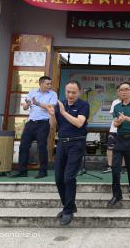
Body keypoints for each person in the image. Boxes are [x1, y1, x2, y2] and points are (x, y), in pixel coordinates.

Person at [47, 80, 89, 226]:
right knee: (58, 178)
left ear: (79, 92)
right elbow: (54, 127)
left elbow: (79, 123)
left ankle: (68, 211)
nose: (70, 95)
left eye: (73, 92)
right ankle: (69, 205)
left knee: (69, 177)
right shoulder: (59, 105)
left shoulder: (84, 105)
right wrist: (52, 114)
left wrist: (63, 112)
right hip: (62, 143)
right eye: (68, 92)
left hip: (76, 143)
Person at [12, 76, 58, 179]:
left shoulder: (53, 94)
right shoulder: (32, 92)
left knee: (42, 147)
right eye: (47, 84)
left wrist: (37, 103)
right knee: (23, 146)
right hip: (31, 123)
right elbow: (24, 107)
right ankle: (22, 171)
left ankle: (43, 171)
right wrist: (27, 104)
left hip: (43, 123)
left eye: (50, 84)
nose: (50, 86)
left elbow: (50, 107)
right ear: (41, 83)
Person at [107, 82, 130, 207]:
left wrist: (126, 118)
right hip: (119, 139)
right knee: (115, 167)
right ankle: (116, 194)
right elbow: (116, 124)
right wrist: (118, 121)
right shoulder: (117, 107)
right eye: (121, 89)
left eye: (126, 89)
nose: (124, 91)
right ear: (118, 92)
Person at [102, 85, 126, 174]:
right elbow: (114, 115)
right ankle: (110, 166)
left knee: (124, 149)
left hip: (124, 130)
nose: (120, 92)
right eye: (119, 91)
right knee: (110, 148)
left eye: (122, 90)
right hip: (114, 129)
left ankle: (123, 167)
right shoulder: (115, 102)